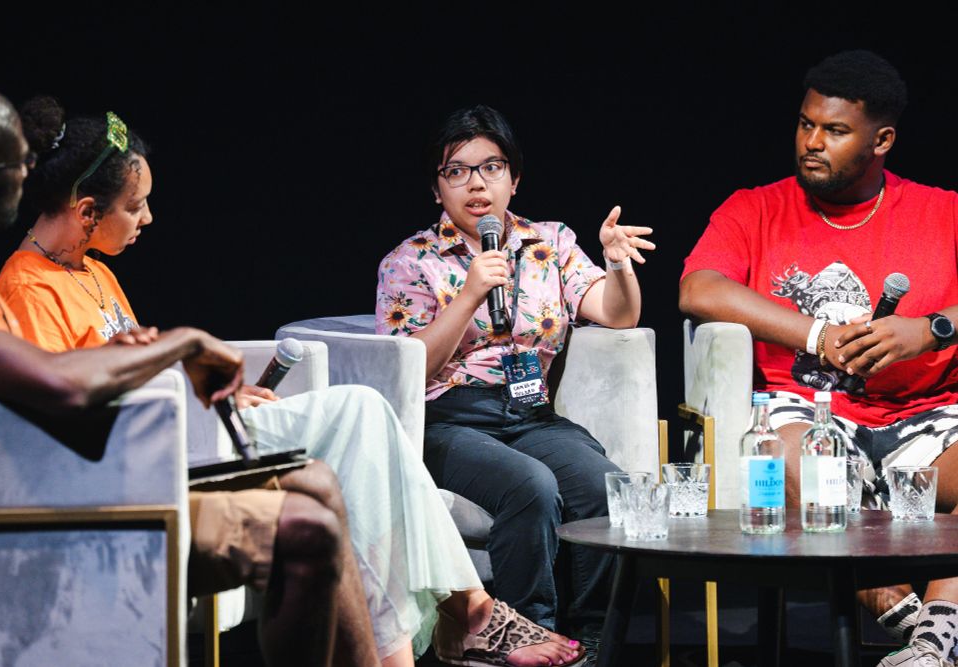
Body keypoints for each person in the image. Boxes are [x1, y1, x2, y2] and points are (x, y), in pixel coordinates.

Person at [0, 96, 583, 667]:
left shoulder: (91, 270)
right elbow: (73, 415)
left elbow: (134, 366)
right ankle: (469, 612)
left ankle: (438, 630)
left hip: (194, 426)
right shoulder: (29, 288)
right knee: (360, 411)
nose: (148, 218)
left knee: (361, 454)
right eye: (135, 205)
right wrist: (189, 394)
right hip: (156, 453)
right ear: (86, 211)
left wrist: (220, 393)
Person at [0, 86, 370, 667]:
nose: (31, 174)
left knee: (320, 483)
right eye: (18, 166)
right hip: (81, 505)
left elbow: (58, 372)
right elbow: (59, 390)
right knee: (308, 526)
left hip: (119, 476)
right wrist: (180, 344)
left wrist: (148, 360)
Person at [679, 50, 958, 667]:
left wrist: (929, 332)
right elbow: (698, 289)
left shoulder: (943, 211)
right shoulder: (755, 208)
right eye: (806, 124)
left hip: (925, 420)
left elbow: (937, 328)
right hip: (807, 415)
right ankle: (907, 621)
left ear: (881, 139)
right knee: (783, 456)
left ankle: (939, 630)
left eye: (835, 131)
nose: (812, 142)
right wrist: (818, 335)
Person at [375, 104, 655, 642]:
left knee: (605, 487)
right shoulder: (410, 261)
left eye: (491, 167)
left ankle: (595, 639)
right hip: (447, 420)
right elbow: (405, 369)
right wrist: (470, 293)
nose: (475, 184)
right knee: (531, 487)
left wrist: (617, 263)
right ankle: (527, 635)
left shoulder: (550, 243)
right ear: (437, 190)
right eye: (456, 171)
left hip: (529, 414)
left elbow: (619, 314)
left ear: (514, 178)